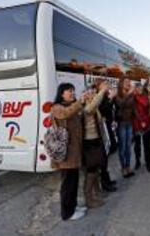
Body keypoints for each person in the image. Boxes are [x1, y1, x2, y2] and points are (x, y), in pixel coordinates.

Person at [51, 83, 88, 221]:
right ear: (61, 93)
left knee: (74, 182)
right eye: (69, 91)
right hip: (66, 153)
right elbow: (66, 114)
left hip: (74, 152)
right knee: (67, 185)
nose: (72, 93)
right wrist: (80, 102)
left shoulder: (73, 106)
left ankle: (73, 206)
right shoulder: (56, 107)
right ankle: (67, 213)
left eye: (73, 90)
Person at [82, 81, 110, 208]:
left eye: (93, 92)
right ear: (84, 94)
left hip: (96, 140)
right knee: (91, 170)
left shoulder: (93, 104)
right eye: (90, 92)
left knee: (97, 167)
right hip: (88, 142)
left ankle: (96, 192)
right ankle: (89, 199)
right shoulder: (84, 105)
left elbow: (99, 116)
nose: (92, 94)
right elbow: (89, 109)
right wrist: (102, 91)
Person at [115, 77, 136, 178]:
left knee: (128, 147)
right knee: (122, 148)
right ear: (121, 84)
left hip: (130, 123)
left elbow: (133, 107)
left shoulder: (131, 94)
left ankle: (128, 166)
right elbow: (121, 104)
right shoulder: (118, 94)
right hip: (121, 124)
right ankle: (123, 168)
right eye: (126, 82)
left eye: (129, 82)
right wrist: (129, 94)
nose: (128, 83)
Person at [133, 82, 150, 172]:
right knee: (137, 145)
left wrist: (144, 121)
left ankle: (148, 163)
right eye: (138, 88)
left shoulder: (144, 97)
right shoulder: (133, 98)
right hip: (137, 123)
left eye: (141, 88)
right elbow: (134, 111)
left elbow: (146, 104)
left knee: (147, 145)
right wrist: (141, 121)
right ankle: (137, 161)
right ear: (135, 89)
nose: (140, 89)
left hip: (146, 122)